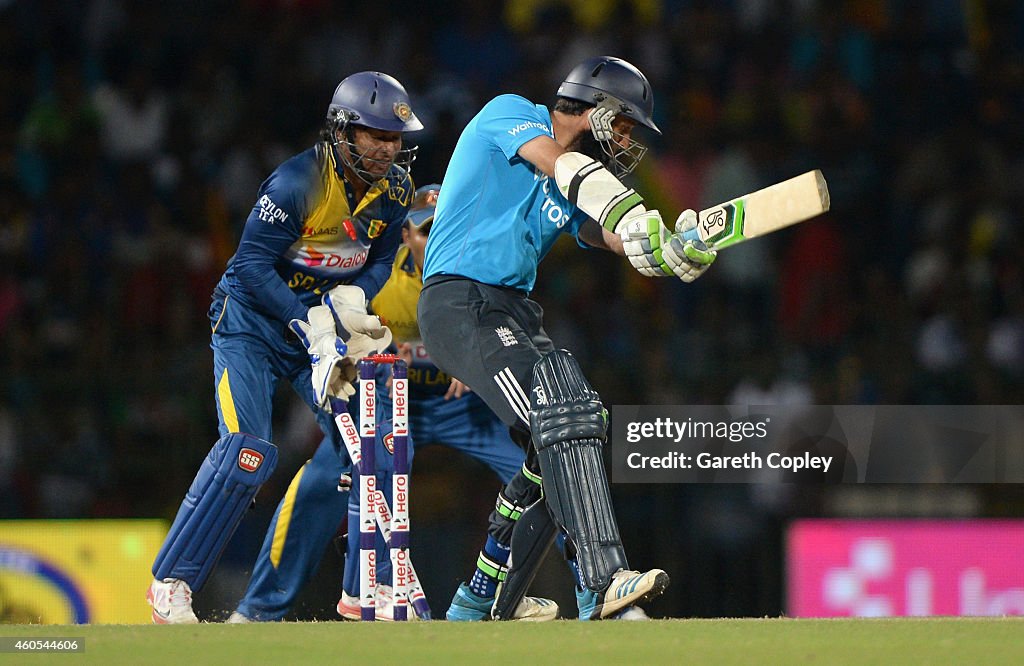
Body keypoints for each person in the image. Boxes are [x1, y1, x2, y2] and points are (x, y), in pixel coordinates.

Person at [418, 55, 717, 621]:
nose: (627, 142)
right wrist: (632, 215)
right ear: (598, 110)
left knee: (574, 418)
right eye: (625, 125)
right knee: (560, 417)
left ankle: (482, 598)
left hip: (511, 311)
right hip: (460, 302)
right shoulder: (511, 116)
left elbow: (614, 235)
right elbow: (561, 168)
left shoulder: (575, 179)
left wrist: (671, 249)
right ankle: (601, 579)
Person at [146, 71, 422, 624]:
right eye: (375, 136)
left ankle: (365, 590)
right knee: (247, 452)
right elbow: (249, 267)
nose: (388, 149)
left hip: (316, 329)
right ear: (342, 131)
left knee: (380, 441)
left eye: (394, 138)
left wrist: (348, 304)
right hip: (251, 325)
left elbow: (378, 263)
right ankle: (171, 583)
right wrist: (308, 325)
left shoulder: (394, 193)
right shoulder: (297, 182)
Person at [227, 185, 558, 623]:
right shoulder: (380, 276)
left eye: (446, 229)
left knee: (552, 470)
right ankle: (257, 612)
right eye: (425, 230)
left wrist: (469, 354)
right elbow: (336, 327)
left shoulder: (485, 270)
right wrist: (377, 346)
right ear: (406, 236)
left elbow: (514, 335)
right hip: (388, 398)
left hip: (464, 405)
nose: (437, 238)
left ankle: (596, 592)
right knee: (322, 482)